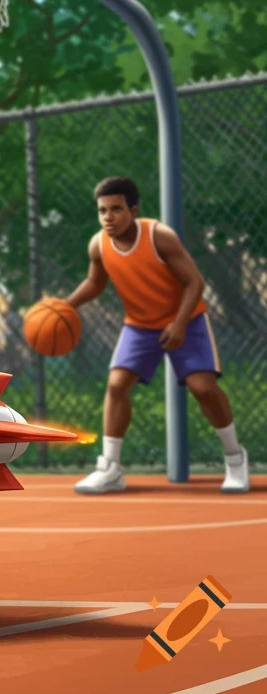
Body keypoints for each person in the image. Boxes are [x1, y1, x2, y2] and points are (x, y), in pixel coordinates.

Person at [65, 176, 249, 494]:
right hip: (139, 325)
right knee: (116, 384)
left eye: (116, 209)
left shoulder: (159, 236)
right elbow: (95, 283)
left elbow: (194, 282)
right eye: (102, 210)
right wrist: (65, 306)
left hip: (186, 320)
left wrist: (178, 324)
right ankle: (111, 466)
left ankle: (235, 458)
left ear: (133, 210)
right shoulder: (98, 244)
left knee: (203, 388)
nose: (108, 217)